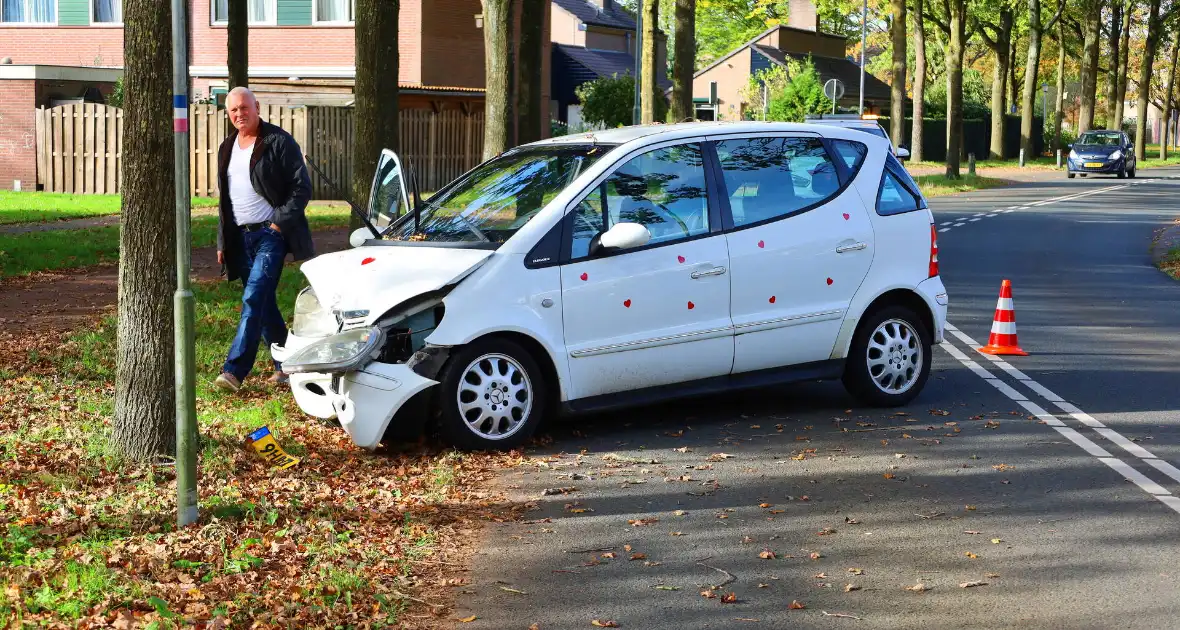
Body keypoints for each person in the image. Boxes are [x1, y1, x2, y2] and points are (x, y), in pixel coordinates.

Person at [214, 87, 314, 392]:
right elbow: (225, 200)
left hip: (271, 235)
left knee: (254, 297)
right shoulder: (227, 147)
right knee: (265, 303)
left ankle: (234, 370)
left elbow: (301, 188)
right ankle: (286, 366)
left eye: (245, 108)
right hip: (239, 237)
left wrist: (278, 226)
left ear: (257, 107)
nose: (239, 114)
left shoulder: (278, 141)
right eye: (233, 111)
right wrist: (222, 242)